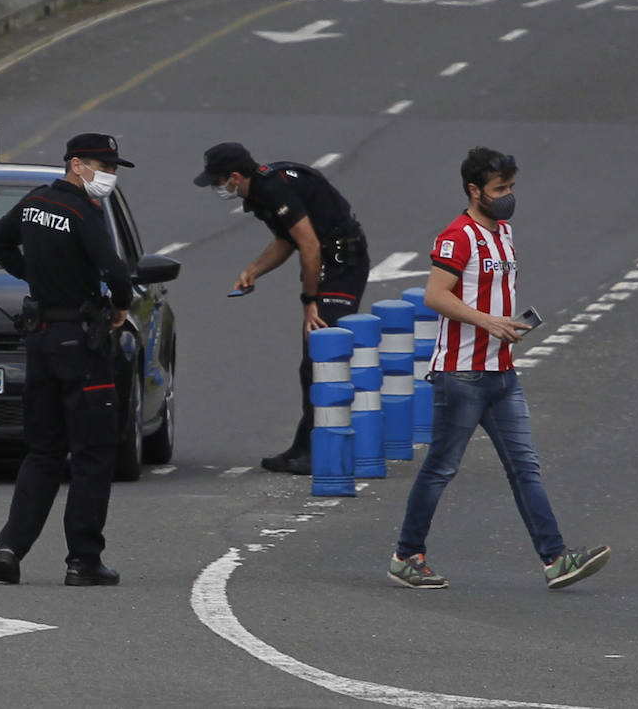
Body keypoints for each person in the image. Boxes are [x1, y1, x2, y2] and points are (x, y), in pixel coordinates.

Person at [387, 147, 610, 590]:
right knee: (441, 469)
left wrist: (507, 326)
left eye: (510, 188)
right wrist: (487, 321)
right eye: (499, 189)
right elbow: (435, 295)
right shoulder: (458, 236)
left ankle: (555, 559)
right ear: (475, 190)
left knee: (525, 467)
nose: (508, 196)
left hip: (501, 373)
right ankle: (406, 556)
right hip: (462, 375)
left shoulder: (503, 232)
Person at [0, 132, 133, 587]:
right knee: (93, 452)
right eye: (104, 168)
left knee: (43, 451)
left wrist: (36, 277)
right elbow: (114, 268)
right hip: (80, 345)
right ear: (77, 164)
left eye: (112, 169)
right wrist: (121, 305)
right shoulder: (83, 211)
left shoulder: (35, 202)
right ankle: (83, 560)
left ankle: (10, 548)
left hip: (41, 340)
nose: (109, 177)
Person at [193, 142, 370, 475]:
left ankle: (320, 449)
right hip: (328, 261)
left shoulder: (274, 188)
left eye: (218, 182)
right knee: (312, 362)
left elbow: (309, 245)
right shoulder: (260, 190)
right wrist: (254, 270)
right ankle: (304, 446)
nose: (218, 189)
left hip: (343, 264)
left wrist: (310, 302)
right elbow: (286, 240)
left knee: (322, 355)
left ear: (234, 177)